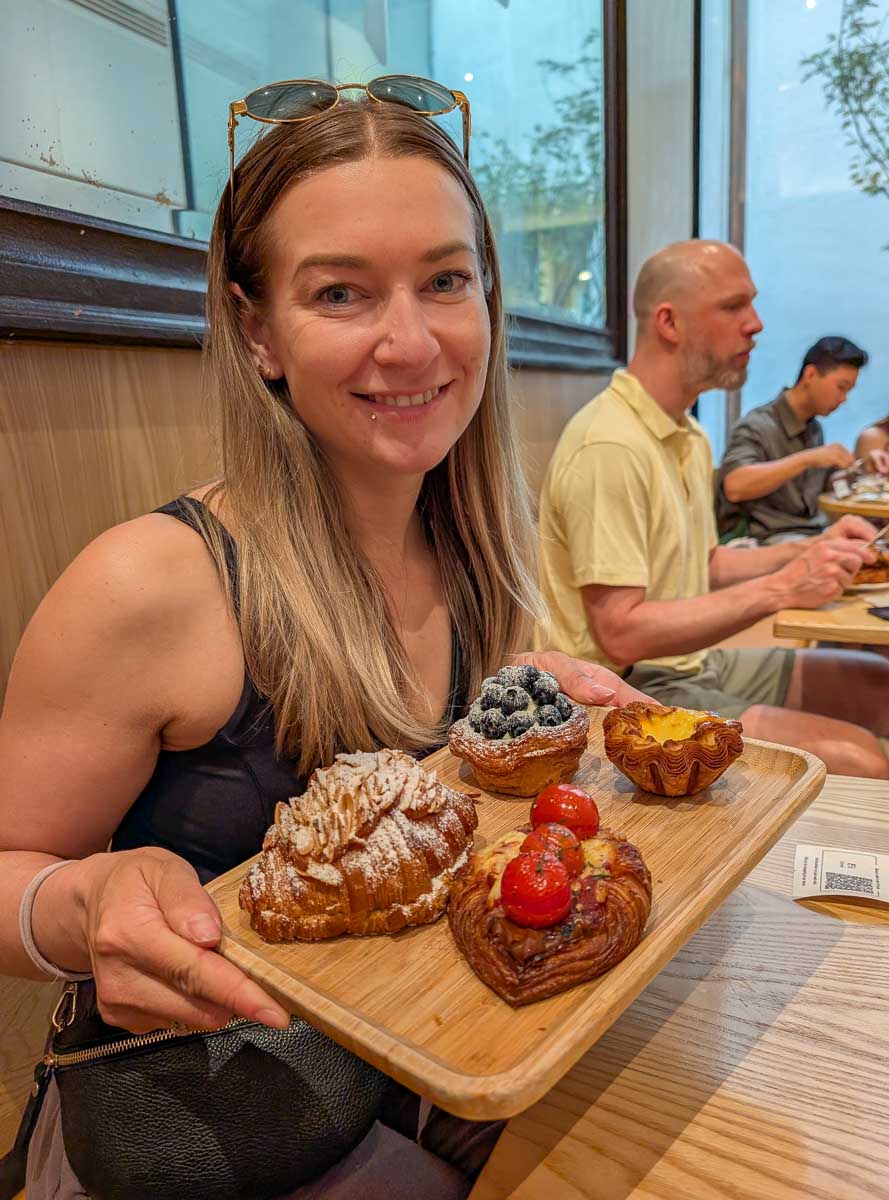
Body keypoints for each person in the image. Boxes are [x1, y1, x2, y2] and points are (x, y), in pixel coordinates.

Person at [0, 84, 652, 1200]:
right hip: (210, 1128)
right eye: (341, 292)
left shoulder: (474, 551)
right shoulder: (151, 582)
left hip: (428, 1056)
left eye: (445, 281)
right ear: (258, 332)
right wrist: (86, 901)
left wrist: (515, 702)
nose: (413, 342)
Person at [536, 239, 889, 779]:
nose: (756, 324)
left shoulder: (689, 434)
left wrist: (810, 550)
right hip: (625, 683)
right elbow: (621, 633)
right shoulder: (610, 445)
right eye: (734, 307)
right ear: (669, 322)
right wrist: (782, 588)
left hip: (691, 659)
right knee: (862, 761)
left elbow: (706, 563)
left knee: (880, 683)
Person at [717, 335, 868, 542]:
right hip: (766, 538)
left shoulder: (813, 429)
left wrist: (858, 468)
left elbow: (815, 490)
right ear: (810, 374)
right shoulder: (757, 425)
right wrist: (809, 458)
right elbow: (735, 486)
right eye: (841, 387)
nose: (843, 399)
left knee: (871, 543)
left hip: (811, 532)